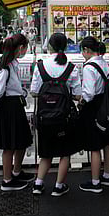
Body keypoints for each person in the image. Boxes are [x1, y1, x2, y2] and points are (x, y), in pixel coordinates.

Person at [31, 33, 82, 197]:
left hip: (44, 118)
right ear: (66, 47)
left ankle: (38, 184)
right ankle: (59, 186)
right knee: (64, 153)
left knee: (46, 153)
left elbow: (33, 92)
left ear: (49, 46)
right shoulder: (71, 67)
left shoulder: (40, 66)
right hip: (63, 118)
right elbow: (78, 94)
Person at [0, 34, 34, 191]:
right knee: (9, 146)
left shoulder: (13, 64)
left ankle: (17, 171)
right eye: (26, 47)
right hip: (8, 109)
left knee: (21, 141)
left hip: (15, 107)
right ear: (20, 48)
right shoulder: (5, 68)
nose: (27, 50)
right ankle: (7, 181)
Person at [78, 36, 109, 194]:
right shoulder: (104, 63)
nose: (82, 55)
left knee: (94, 147)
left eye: (82, 52)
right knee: (107, 142)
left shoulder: (88, 67)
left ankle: (95, 182)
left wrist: (81, 101)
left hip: (94, 108)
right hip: (106, 107)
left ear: (86, 50)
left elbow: (89, 93)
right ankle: (107, 175)